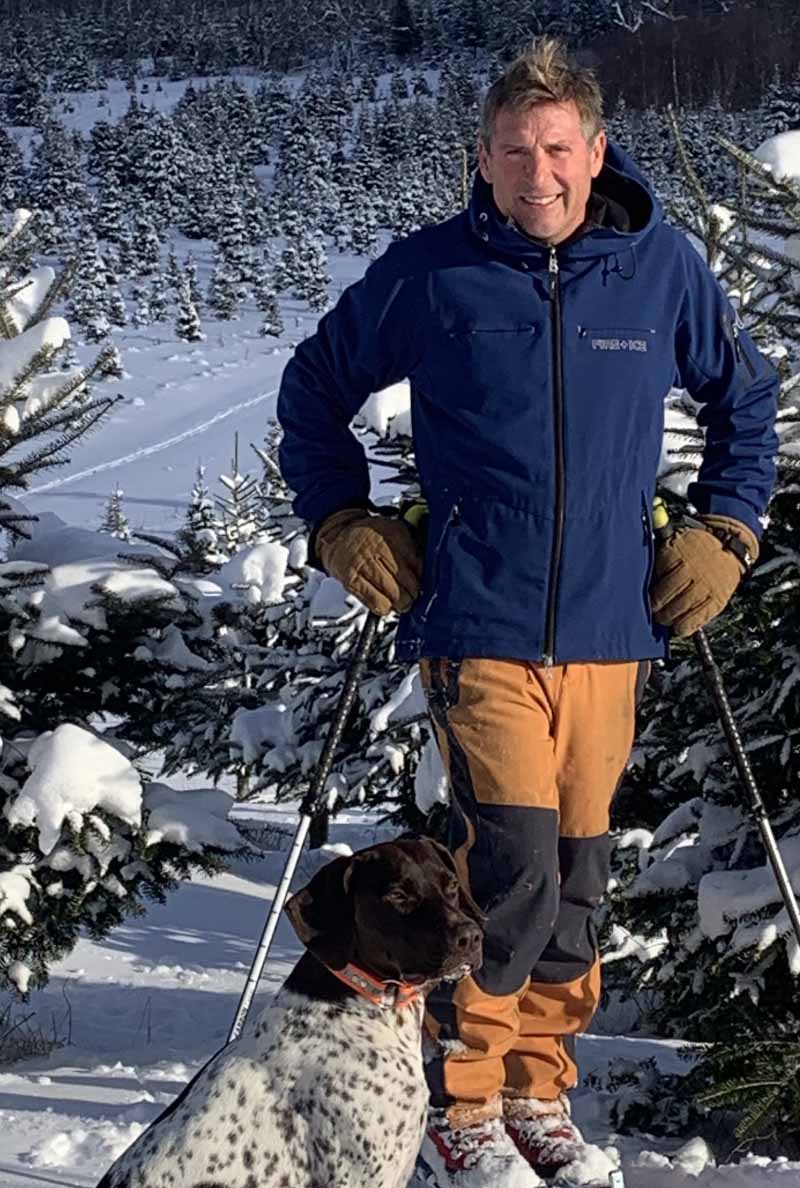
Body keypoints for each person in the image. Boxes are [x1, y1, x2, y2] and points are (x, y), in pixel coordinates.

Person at [277, 37, 778, 1188]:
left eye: (555, 148)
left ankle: (536, 1086)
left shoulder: (658, 269)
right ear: (482, 157)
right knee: (508, 867)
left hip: (609, 629)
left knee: (579, 875)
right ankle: (460, 1100)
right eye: (512, 151)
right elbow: (313, 390)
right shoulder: (432, 272)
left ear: (595, 151)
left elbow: (744, 403)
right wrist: (341, 520)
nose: (535, 173)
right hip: (477, 621)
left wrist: (726, 531)